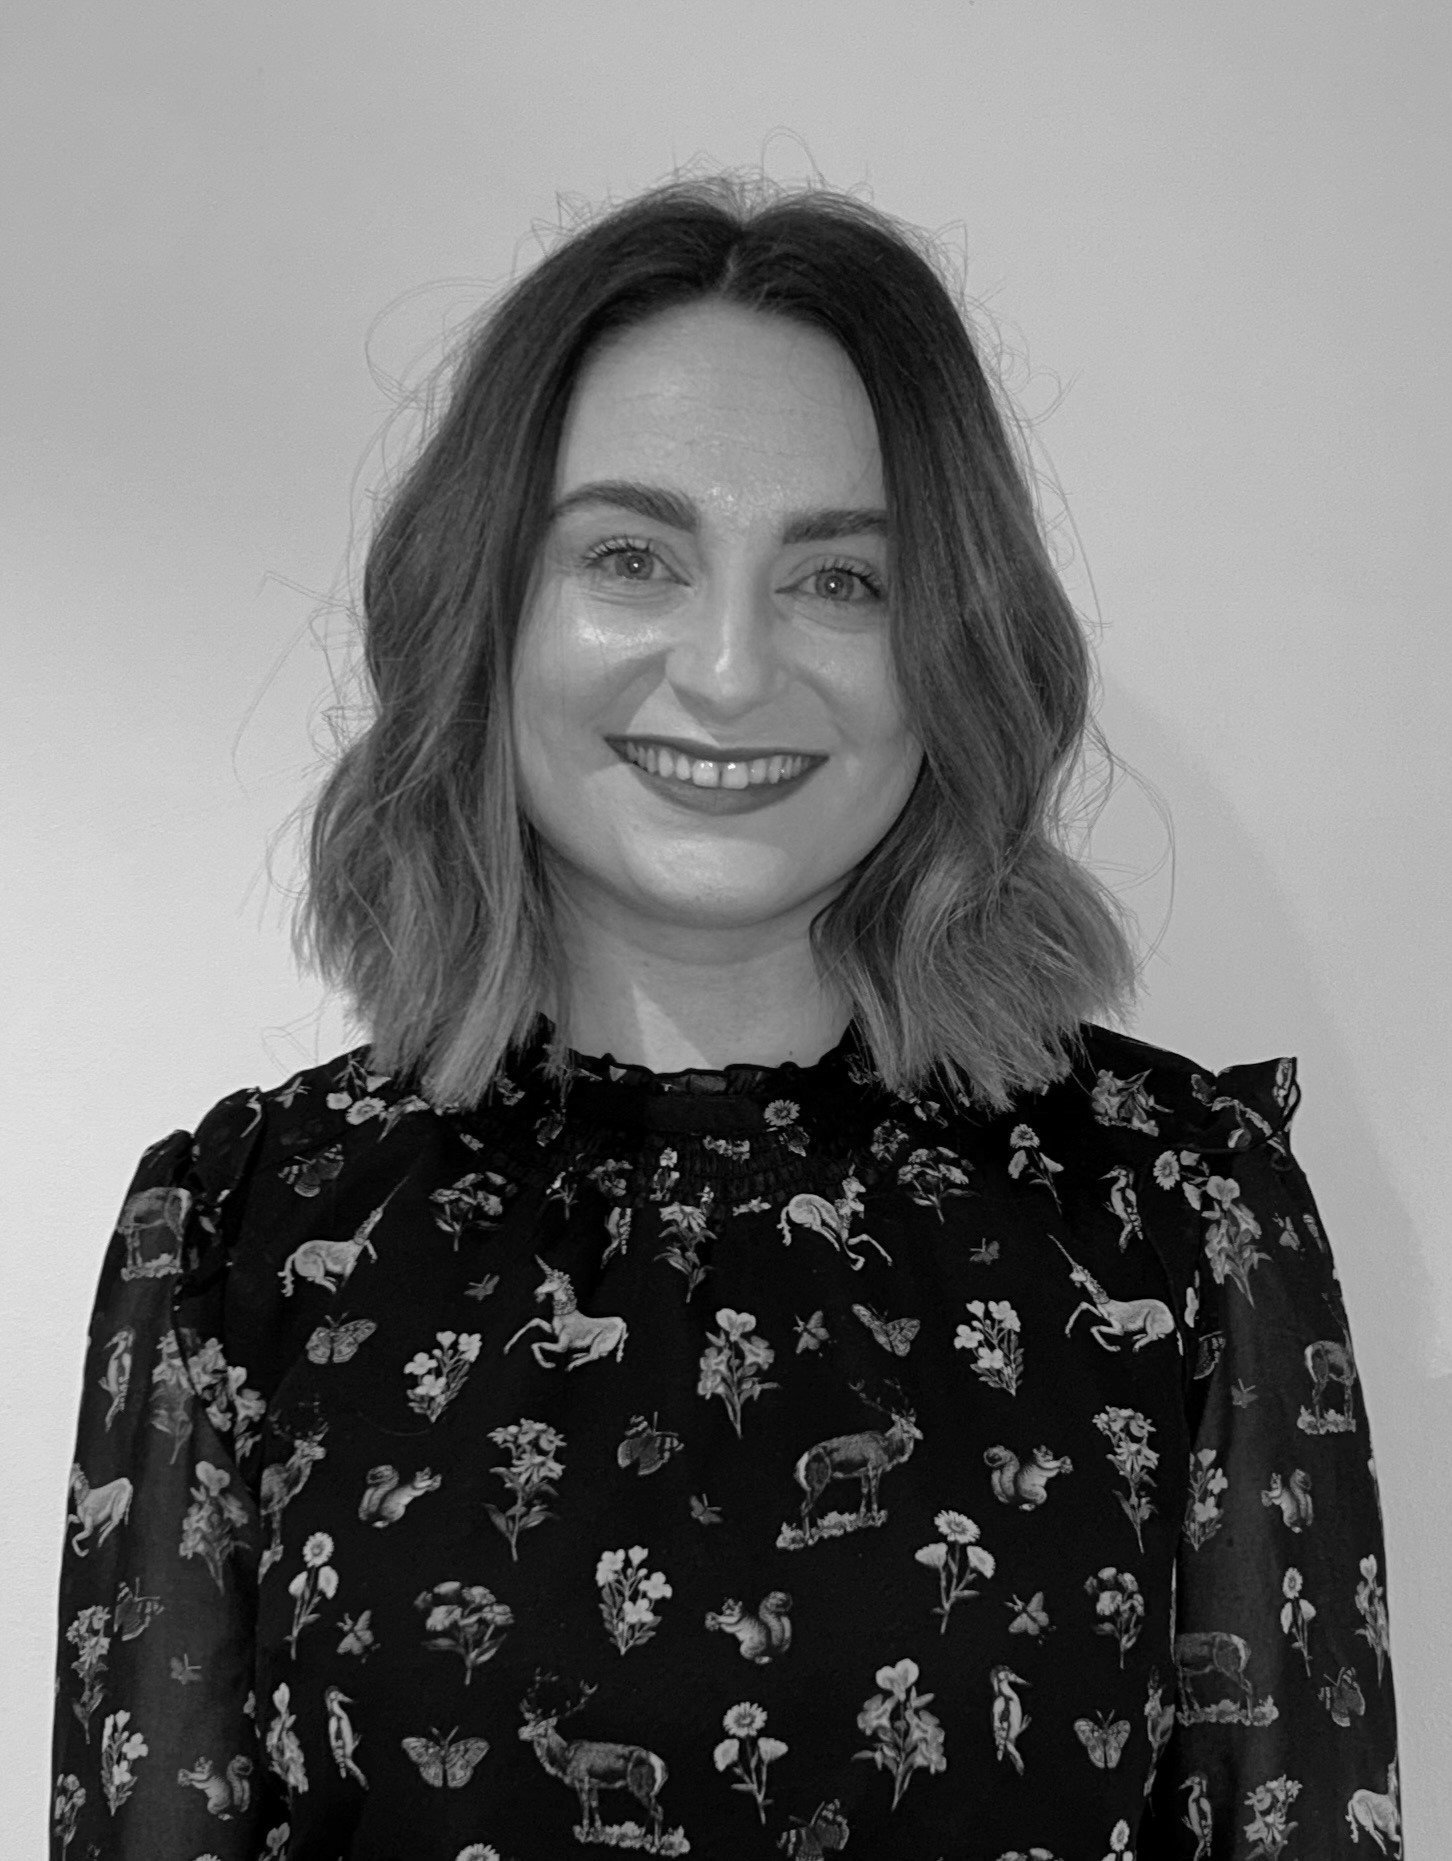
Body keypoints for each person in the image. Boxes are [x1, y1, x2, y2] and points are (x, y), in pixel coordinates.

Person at [51, 174, 1399, 1861]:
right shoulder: (242, 1239)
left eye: (841, 578)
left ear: (954, 645)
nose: (732, 668)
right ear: (487, 606)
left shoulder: (1182, 1221)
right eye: (632, 556)